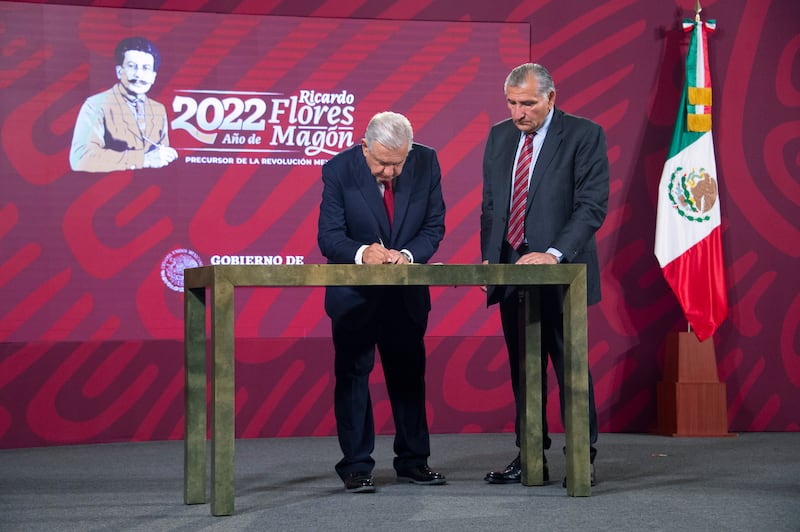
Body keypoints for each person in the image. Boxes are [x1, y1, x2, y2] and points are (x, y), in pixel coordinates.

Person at [480, 63, 608, 487]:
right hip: (512, 271)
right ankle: (530, 453)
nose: (519, 112)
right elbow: (492, 206)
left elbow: (591, 206)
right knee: (524, 368)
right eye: (513, 103)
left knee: (569, 366)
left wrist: (554, 255)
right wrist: (490, 260)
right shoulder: (500, 136)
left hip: (561, 273)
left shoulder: (584, 135)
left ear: (551, 98)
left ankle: (581, 457)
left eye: (528, 103)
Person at [317, 111, 447, 494]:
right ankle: (356, 466)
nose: (390, 172)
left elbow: (434, 226)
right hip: (354, 296)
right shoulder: (337, 170)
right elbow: (329, 237)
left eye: (397, 162)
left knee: (409, 378)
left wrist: (406, 255)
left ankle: (413, 461)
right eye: (381, 163)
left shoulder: (426, 162)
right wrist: (362, 253)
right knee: (354, 377)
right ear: (364, 147)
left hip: (405, 294)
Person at [69, 36, 178, 172]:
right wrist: (143, 160)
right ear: (119, 71)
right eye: (132, 66)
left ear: (153, 77)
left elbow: (161, 159)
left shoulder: (158, 110)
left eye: (146, 68)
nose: (139, 75)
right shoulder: (96, 104)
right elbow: (80, 158)